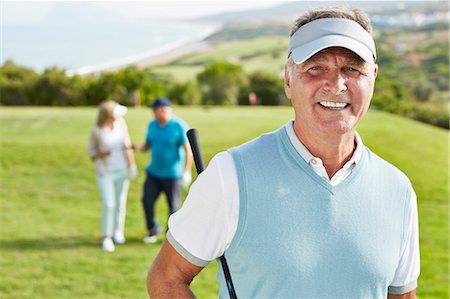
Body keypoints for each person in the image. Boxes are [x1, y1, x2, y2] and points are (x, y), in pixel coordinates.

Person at [147, 7, 420, 299]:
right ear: (289, 80)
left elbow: (402, 296)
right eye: (316, 67)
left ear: (373, 78)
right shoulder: (230, 175)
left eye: (352, 69)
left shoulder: (398, 190)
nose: (336, 84)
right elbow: (166, 278)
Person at [133, 97, 193, 244]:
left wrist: (187, 171)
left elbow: (188, 149)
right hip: (154, 172)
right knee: (147, 201)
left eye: (157, 109)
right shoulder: (152, 125)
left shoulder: (178, 125)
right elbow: (148, 145)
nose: (154, 112)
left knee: (173, 206)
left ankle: (170, 236)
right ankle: (152, 229)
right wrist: (137, 148)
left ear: (164, 110)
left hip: (173, 174)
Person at [88, 100, 137, 252]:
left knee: (120, 202)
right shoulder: (96, 131)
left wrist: (132, 165)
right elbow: (91, 152)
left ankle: (118, 232)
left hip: (121, 169)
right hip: (105, 172)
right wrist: (100, 153)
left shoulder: (121, 124)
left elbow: (126, 146)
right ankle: (106, 236)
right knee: (109, 203)